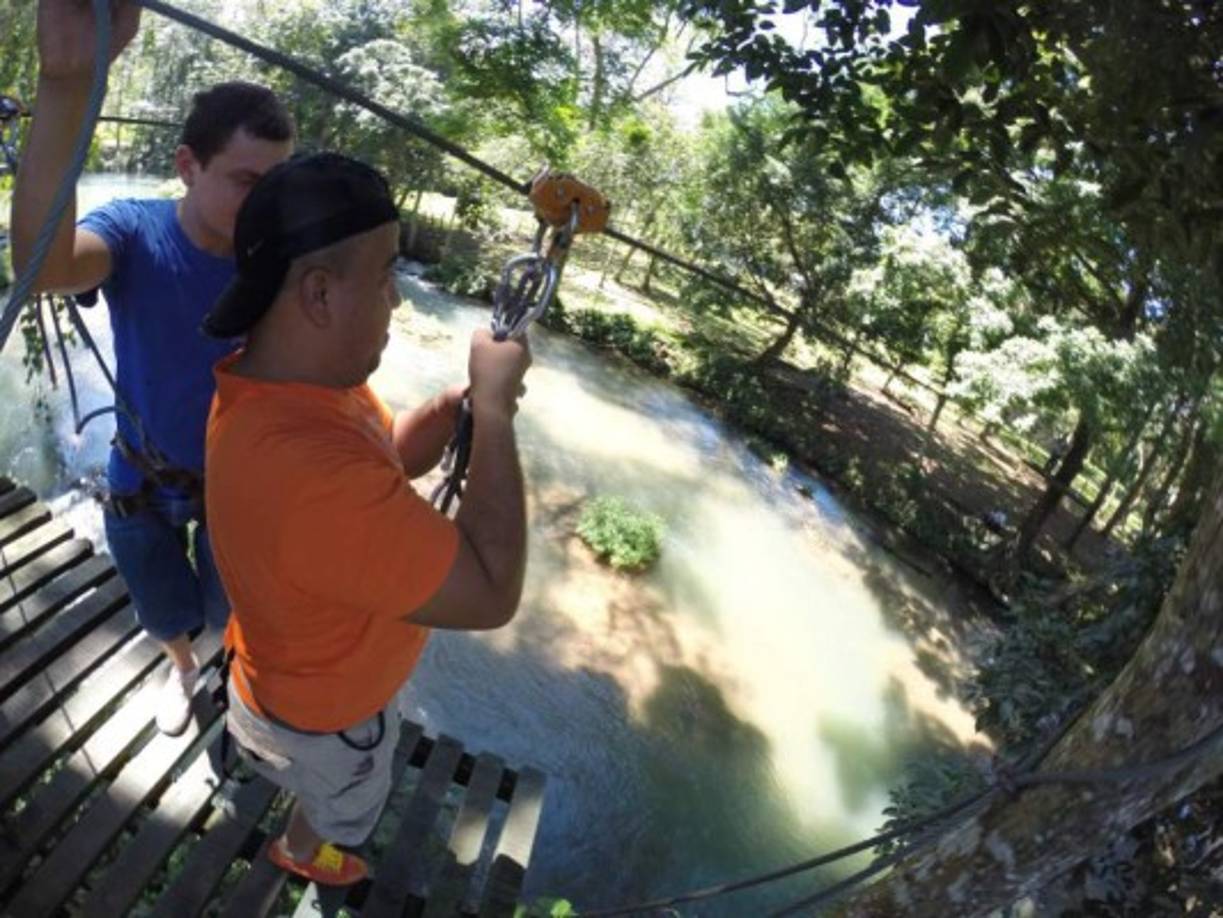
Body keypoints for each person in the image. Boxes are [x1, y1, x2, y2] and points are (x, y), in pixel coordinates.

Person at [203, 152, 531, 886]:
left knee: (313, 770)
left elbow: (383, 461)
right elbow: (489, 593)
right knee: (344, 806)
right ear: (318, 294)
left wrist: (455, 413)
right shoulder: (306, 473)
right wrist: (500, 419)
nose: (398, 300)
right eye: (386, 277)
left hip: (283, 678)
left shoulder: (289, 388)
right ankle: (302, 848)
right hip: (328, 722)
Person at [11, 0, 295, 735]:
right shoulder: (136, 231)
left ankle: (221, 660)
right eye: (244, 180)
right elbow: (44, 267)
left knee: (222, 608)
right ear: (186, 166)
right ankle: (180, 667)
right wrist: (69, 85)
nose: (263, 202)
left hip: (246, 487)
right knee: (165, 609)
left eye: (276, 184)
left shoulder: (286, 260)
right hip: (144, 478)